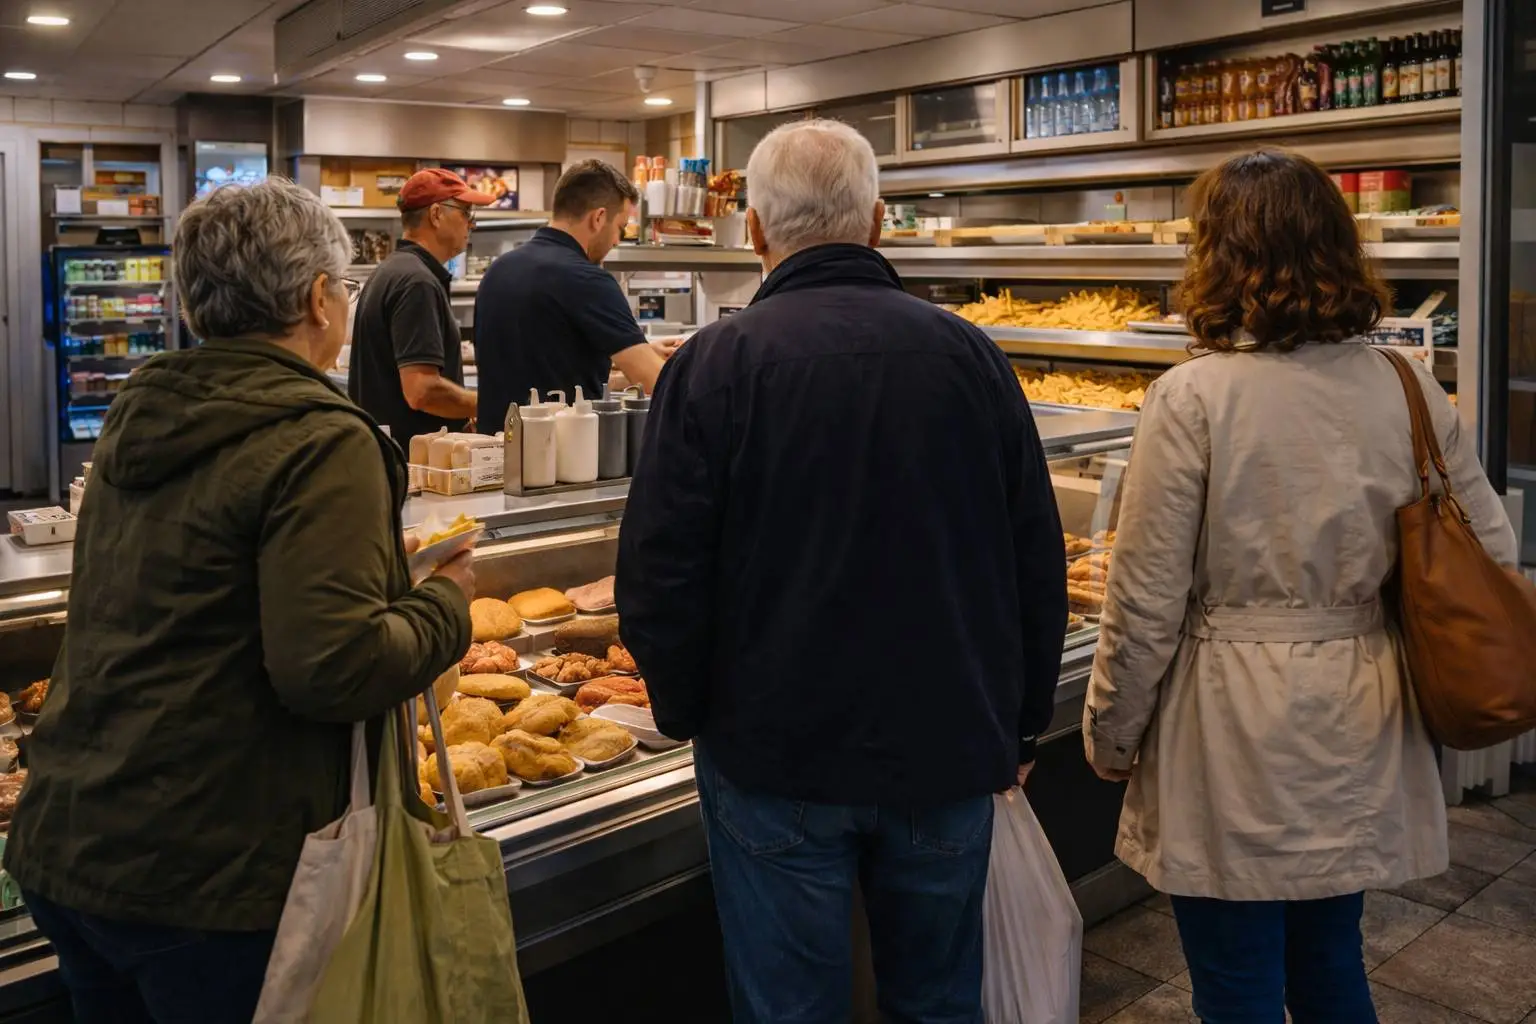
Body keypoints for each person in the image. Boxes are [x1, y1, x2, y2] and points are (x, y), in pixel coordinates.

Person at [615, 120, 1067, 1023]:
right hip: (945, 748)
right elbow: (1033, 556)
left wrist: (689, 712)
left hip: (773, 756)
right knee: (939, 1001)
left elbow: (658, 576)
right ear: (879, 222)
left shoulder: (711, 366)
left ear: (754, 231)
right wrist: (1018, 726)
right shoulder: (972, 356)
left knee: (789, 1009)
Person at [4, 178, 475, 1023]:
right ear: (317, 298)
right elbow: (334, 668)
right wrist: (445, 600)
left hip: (73, 842)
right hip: (209, 883)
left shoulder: (137, 413)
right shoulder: (321, 437)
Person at [1082, 149, 1519, 1024]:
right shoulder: (1407, 387)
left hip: (1230, 718)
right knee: (1329, 959)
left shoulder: (1192, 398)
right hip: (1363, 702)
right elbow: (1492, 550)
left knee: (1236, 978)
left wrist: (1110, 732)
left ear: (1219, 254)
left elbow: (1146, 603)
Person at [474, 159, 675, 432]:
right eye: (620, 227)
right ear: (599, 218)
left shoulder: (498, 271)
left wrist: (638, 351)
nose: (617, 241)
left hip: (494, 454)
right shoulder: (588, 279)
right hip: (559, 460)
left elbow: (547, 365)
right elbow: (658, 380)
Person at [349, 167, 488, 443]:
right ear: (436, 214)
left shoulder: (391, 270)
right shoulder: (416, 282)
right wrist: (488, 404)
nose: (471, 224)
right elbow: (421, 391)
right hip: (412, 467)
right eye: (466, 213)